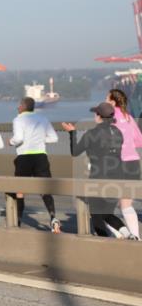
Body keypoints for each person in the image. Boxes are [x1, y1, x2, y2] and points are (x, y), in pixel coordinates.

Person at [61, 103, 132, 238]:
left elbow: (75, 152)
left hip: (99, 177)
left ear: (99, 116)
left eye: (96, 113)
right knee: (106, 213)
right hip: (117, 177)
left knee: (96, 214)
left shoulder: (92, 133)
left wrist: (72, 133)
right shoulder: (117, 132)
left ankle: (105, 242)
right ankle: (127, 234)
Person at [9, 97, 60, 232]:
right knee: (44, 190)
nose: (17, 107)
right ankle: (53, 218)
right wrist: (39, 140)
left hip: (24, 158)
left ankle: (18, 221)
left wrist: (11, 142)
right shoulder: (43, 118)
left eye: (19, 105)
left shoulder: (18, 119)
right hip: (40, 157)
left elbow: (19, 138)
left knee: (20, 191)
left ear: (23, 106)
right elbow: (54, 138)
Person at [108, 88, 142, 238]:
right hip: (133, 162)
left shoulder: (107, 117)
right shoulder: (128, 117)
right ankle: (136, 237)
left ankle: (119, 234)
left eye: (106, 99)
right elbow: (139, 140)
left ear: (113, 102)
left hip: (116, 163)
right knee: (126, 204)